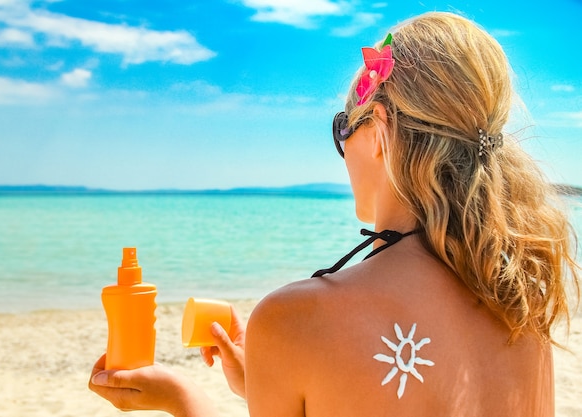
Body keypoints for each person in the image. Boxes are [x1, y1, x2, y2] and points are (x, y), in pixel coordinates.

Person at [89, 11, 580, 416]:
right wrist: (263, 379)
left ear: (380, 129)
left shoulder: (296, 319)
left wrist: (184, 399)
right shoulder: (522, 306)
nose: (343, 150)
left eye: (343, 128)